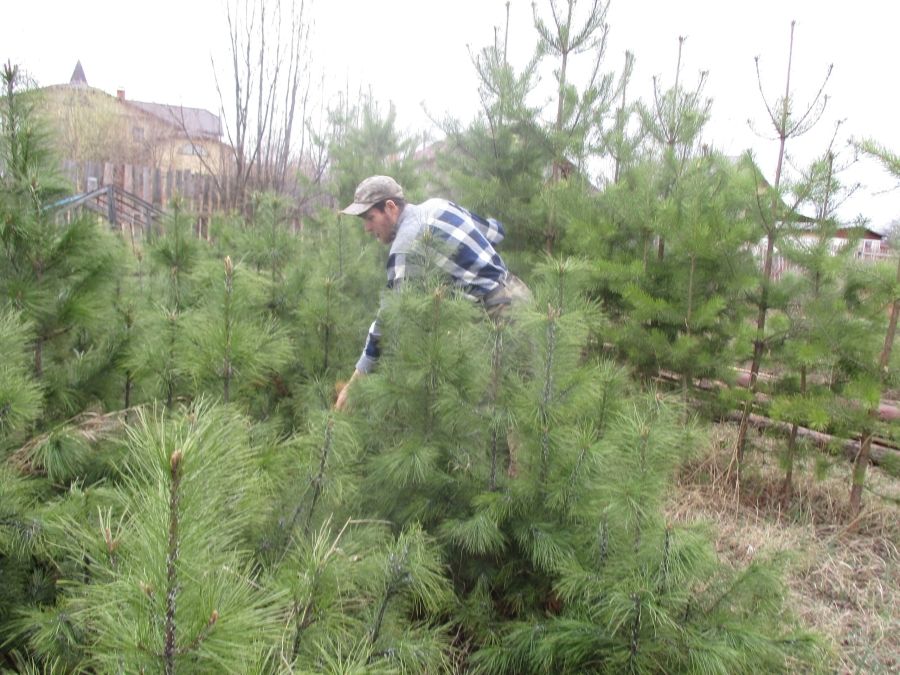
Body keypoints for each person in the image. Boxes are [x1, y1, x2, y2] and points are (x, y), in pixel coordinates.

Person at [334, 175, 531, 411]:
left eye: (370, 218)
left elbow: (389, 316)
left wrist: (359, 375)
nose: (367, 228)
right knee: (527, 395)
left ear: (390, 207)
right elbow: (494, 232)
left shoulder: (406, 245)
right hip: (520, 294)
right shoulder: (438, 205)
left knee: (497, 409)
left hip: (500, 314)